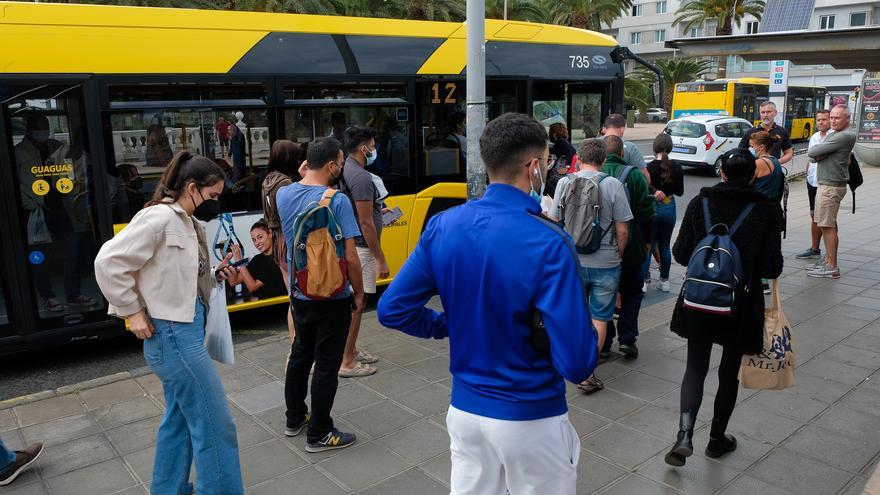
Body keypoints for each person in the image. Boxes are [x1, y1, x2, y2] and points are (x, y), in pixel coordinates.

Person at [378, 112, 598, 495]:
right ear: (533, 167)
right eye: (545, 162)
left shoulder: (444, 224)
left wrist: (448, 324)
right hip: (531, 415)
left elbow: (392, 309)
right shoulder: (549, 241)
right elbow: (577, 364)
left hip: (465, 412)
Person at [94, 151, 245, 494]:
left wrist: (215, 276)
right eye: (213, 195)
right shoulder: (160, 218)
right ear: (192, 188)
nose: (216, 203)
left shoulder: (188, 221)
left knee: (179, 423)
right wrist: (131, 311)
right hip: (174, 337)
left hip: (182, 333)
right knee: (216, 426)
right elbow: (108, 262)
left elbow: (174, 275)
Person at [665, 149, 782, 467]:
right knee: (728, 373)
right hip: (741, 303)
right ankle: (717, 439)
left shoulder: (700, 202)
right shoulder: (765, 211)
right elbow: (772, 266)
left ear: (723, 173)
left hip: (700, 300)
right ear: (753, 175)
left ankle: (684, 435)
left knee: (695, 368)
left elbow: (681, 253)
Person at [277, 137, 365, 453]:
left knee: (301, 354)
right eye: (340, 162)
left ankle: (294, 418)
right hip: (332, 295)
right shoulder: (338, 200)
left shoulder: (284, 194)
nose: (341, 168)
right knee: (327, 365)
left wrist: (310, 168)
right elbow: (351, 257)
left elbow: (307, 174)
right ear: (332, 165)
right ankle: (320, 433)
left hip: (299, 293)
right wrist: (358, 291)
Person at [549, 138, 631, 394]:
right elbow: (622, 229)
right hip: (605, 261)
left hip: (572, 261)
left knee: (575, 315)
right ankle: (586, 373)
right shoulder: (614, 185)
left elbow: (554, 222)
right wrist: (618, 255)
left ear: (580, 158)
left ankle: (567, 362)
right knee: (600, 317)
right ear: (603, 160)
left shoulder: (564, 182)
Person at [15, 115, 95, 312]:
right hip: (36, 210)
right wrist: (29, 204)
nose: (43, 131)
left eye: (46, 127)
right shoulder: (18, 152)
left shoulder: (57, 146)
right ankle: (48, 296)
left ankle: (73, 294)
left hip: (60, 206)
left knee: (72, 251)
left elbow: (79, 163)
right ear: (30, 129)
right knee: (39, 256)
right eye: (39, 127)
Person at [338, 125, 388, 377]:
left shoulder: (349, 168)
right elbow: (366, 222)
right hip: (362, 249)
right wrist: (380, 259)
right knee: (358, 303)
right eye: (372, 144)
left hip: (355, 245)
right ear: (363, 148)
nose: (374, 149)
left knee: (355, 302)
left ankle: (351, 349)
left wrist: (380, 211)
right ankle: (346, 361)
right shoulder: (361, 177)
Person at [601, 135, 654, 359]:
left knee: (602, 294)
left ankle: (603, 341)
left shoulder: (593, 175)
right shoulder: (633, 175)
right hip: (631, 246)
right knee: (632, 293)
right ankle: (627, 338)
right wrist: (647, 242)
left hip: (599, 248)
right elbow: (646, 213)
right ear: (622, 153)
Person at [806, 104, 857, 279]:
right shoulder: (836, 134)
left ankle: (832, 266)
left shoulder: (844, 135)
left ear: (847, 118)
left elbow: (813, 151)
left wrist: (820, 154)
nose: (833, 121)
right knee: (827, 224)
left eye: (837, 118)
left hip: (831, 185)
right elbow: (813, 156)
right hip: (828, 184)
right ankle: (829, 261)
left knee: (827, 226)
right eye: (832, 117)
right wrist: (819, 154)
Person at [262, 139, 303, 343]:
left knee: (292, 296)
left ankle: (296, 342)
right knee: (298, 298)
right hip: (288, 241)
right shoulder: (286, 184)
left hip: (277, 240)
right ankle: (298, 344)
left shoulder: (268, 180)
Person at [643, 133, 684, 293]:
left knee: (648, 245)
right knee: (665, 246)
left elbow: (645, 187)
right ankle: (665, 281)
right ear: (671, 147)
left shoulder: (648, 167)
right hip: (669, 207)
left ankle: (644, 282)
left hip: (652, 207)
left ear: (654, 148)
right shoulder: (677, 167)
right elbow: (680, 192)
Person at [796, 109, 832, 260]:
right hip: (812, 180)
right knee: (813, 215)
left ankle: (830, 255)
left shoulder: (834, 137)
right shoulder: (815, 136)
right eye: (818, 120)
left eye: (824, 119)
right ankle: (815, 248)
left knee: (826, 218)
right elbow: (810, 157)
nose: (821, 122)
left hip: (826, 181)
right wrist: (806, 172)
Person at [227, 220, 287, 300]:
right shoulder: (257, 259)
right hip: (263, 306)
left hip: (279, 305)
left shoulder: (278, 258)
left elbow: (252, 287)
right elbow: (234, 281)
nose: (257, 243)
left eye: (260, 237)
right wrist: (226, 256)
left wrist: (239, 260)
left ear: (270, 234)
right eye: (254, 240)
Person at [748, 131, 785, 202]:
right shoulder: (775, 160)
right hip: (774, 203)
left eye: (752, 146)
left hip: (761, 204)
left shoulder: (759, 163)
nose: (750, 149)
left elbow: (747, 183)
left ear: (761, 147)